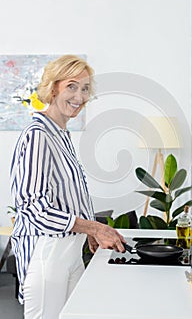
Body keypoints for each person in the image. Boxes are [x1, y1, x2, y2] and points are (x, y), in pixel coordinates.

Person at [10, 55, 126, 319]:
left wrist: (88, 234)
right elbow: (33, 209)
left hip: (70, 251)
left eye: (85, 88)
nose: (80, 95)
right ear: (53, 89)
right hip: (48, 252)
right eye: (71, 86)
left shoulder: (61, 135)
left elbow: (69, 196)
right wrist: (95, 227)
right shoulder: (38, 135)